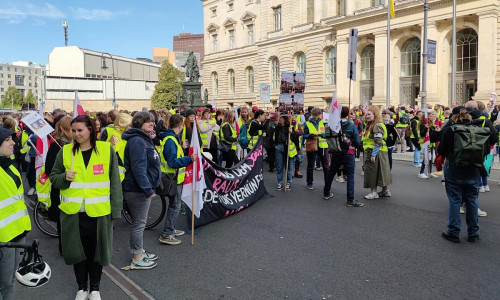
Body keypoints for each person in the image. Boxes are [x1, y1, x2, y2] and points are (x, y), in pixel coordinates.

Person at [49, 115, 122, 300]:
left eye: (80, 130)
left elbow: (115, 181)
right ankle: (82, 288)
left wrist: (116, 210)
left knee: (96, 254)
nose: (76, 134)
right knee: (77, 253)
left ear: (91, 129)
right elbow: (53, 178)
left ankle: (95, 289)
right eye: (73, 131)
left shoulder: (106, 150)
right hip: (73, 214)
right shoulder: (65, 151)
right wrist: (64, 177)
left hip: (99, 213)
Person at [122, 112, 161, 269]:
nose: (152, 123)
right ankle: (137, 257)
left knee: (140, 222)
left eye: (152, 121)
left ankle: (140, 250)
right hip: (137, 189)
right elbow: (138, 168)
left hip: (139, 188)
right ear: (139, 123)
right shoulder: (138, 141)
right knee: (139, 223)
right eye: (147, 121)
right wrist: (147, 189)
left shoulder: (143, 139)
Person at [438, 108, 482, 243]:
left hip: (454, 168)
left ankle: (453, 231)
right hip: (474, 168)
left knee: (455, 200)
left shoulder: (451, 130)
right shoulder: (477, 129)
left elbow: (442, 150)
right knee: (472, 200)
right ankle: (473, 233)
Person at [0, 128, 31, 300]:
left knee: (10, 280)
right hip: (3, 237)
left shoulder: (9, 164)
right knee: (4, 283)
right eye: (7, 140)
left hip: (18, 231)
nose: (13, 143)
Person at [159, 115, 196, 245]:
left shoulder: (172, 139)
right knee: (175, 206)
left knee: (175, 205)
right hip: (171, 178)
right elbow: (172, 162)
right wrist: (189, 159)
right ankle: (166, 233)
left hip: (174, 177)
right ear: (180, 125)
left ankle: (171, 229)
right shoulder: (170, 140)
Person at [323, 107, 363, 207]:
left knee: (331, 173)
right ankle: (350, 199)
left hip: (335, 152)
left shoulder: (333, 125)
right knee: (350, 176)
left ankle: (326, 193)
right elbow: (357, 141)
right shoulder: (351, 125)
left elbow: (325, 135)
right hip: (348, 153)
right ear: (348, 114)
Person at [44, 116, 73, 255]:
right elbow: (49, 169)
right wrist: (64, 174)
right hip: (60, 189)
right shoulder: (57, 145)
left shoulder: (76, 145)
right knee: (63, 221)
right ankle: (64, 248)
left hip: (74, 191)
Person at [362, 106, 392, 199]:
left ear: (375, 115)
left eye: (369, 114)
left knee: (372, 172)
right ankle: (385, 190)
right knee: (382, 171)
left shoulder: (376, 125)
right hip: (381, 152)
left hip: (375, 152)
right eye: (366, 114)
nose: (367, 116)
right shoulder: (374, 124)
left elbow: (378, 141)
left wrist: (373, 154)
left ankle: (373, 193)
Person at [304, 108, 329, 190]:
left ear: (319, 115)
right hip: (312, 145)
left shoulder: (324, 122)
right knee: (310, 165)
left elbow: (327, 133)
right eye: (314, 116)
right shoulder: (307, 123)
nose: (315, 117)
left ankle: (327, 182)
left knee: (325, 165)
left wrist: (322, 134)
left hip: (322, 145)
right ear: (312, 114)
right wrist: (310, 135)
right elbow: (304, 135)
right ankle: (309, 182)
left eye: (316, 116)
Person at [274, 115, 298, 191]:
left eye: (281, 118)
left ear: (284, 119)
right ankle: (280, 182)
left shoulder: (290, 127)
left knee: (288, 167)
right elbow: (274, 137)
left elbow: (295, 139)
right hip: (279, 147)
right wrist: (275, 145)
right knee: (279, 166)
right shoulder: (277, 127)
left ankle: (288, 182)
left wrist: (292, 133)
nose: (279, 119)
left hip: (288, 149)